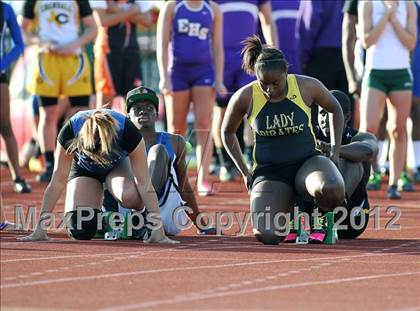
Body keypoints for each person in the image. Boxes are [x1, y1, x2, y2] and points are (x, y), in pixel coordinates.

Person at [222, 36, 345, 245]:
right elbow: (227, 132)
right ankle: (290, 214)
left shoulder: (306, 86)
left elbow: (335, 109)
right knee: (267, 235)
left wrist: (334, 150)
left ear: (286, 73)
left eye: (276, 83)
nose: (270, 90)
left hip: (308, 163)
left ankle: (321, 217)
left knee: (332, 188)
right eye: (264, 84)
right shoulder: (246, 96)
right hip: (271, 172)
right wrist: (244, 171)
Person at [19, 108, 177, 243]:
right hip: (84, 170)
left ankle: (139, 218)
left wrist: (158, 229)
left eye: (102, 154)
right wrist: (40, 230)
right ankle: (106, 217)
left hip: (117, 167)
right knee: (80, 229)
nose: (99, 160)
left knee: (130, 197)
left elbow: (144, 182)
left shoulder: (129, 133)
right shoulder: (70, 131)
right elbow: (57, 182)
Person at [122, 86, 216, 235]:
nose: (143, 111)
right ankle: (137, 220)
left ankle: (145, 217)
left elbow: (184, 187)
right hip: (130, 213)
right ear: (128, 116)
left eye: (149, 107)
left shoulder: (175, 142)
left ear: (157, 114)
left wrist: (201, 226)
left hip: (165, 214)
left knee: (159, 151)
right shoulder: (120, 142)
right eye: (137, 108)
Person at [21, 0, 98, 182]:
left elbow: (93, 28)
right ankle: (49, 165)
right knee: (48, 114)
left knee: (80, 114)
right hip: (46, 61)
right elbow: (22, 30)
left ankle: (80, 162)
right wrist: (39, 41)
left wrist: (75, 44)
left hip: (74, 61)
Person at [157, 0, 225, 196]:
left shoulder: (213, 9)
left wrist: (219, 79)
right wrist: (164, 78)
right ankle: (173, 177)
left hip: (203, 73)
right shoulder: (172, 7)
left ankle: (204, 179)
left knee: (204, 124)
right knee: (176, 128)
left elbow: (217, 46)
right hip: (177, 73)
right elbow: (161, 44)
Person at [212, 0, 278, 182]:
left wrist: (273, 50)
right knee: (222, 109)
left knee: (253, 107)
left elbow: (267, 20)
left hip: (249, 57)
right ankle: (225, 162)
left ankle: (251, 156)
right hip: (222, 58)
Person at [359, 0, 417, 199]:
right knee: (369, 127)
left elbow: (410, 43)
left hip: (400, 74)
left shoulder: (409, 5)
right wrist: (386, 16)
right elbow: (366, 41)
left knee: (398, 129)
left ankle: (394, 181)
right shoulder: (368, 4)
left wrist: (394, 18)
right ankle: (367, 175)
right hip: (375, 73)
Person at [317, 90, 377, 239]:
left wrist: (333, 150)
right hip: (316, 214)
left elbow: (368, 150)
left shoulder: (360, 136)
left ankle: (334, 214)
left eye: (330, 114)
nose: (325, 119)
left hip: (352, 219)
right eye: (321, 114)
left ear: (347, 117)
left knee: (353, 161)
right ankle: (295, 220)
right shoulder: (311, 135)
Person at [90, 0, 153, 108]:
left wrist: (116, 10)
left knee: (134, 100)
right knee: (105, 103)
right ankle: (102, 126)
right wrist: (133, 10)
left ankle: (128, 125)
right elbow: (102, 20)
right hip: (107, 51)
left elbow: (147, 20)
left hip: (132, 52)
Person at [0, 1, 31, 193]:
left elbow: (19, 44)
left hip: (0, 75)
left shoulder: (5, 9)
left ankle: (17, 177)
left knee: (4, 124)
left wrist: (3, 63)